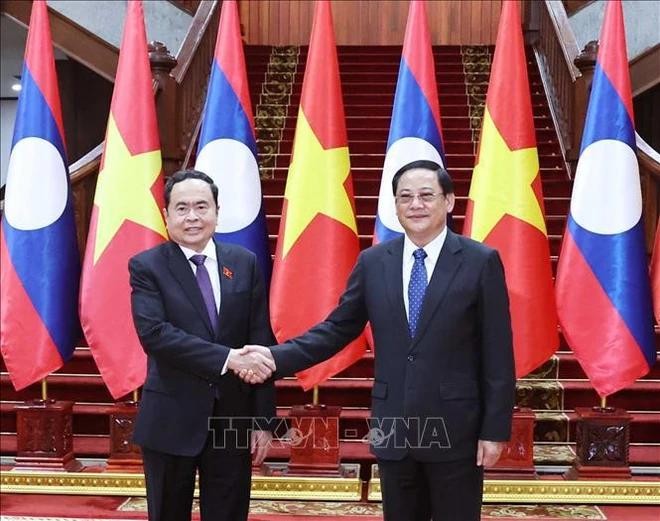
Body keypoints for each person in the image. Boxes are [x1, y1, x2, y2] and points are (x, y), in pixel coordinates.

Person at [238, 160, 515, 521]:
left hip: (456, 429)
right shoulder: (373, 262)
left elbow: (498, 354)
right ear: (395, 206)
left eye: (426, 195)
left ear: (448, 201)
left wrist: (493, 430)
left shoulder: (480, 261)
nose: (416, 205)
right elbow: (337, 329)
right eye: (406, 197)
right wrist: (276, 358)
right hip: (393, 428)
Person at [129, 169, 276, 521]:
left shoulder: (244, 263)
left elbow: (260, 340)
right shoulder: (147, 266)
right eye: (181, 208)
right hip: (171, 418)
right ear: (166, 215)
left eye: (201, 206)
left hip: (231, 421)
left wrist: (264, 419)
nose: (192, 217)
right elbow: (156, 335)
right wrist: (227, 358)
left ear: (216, 211)